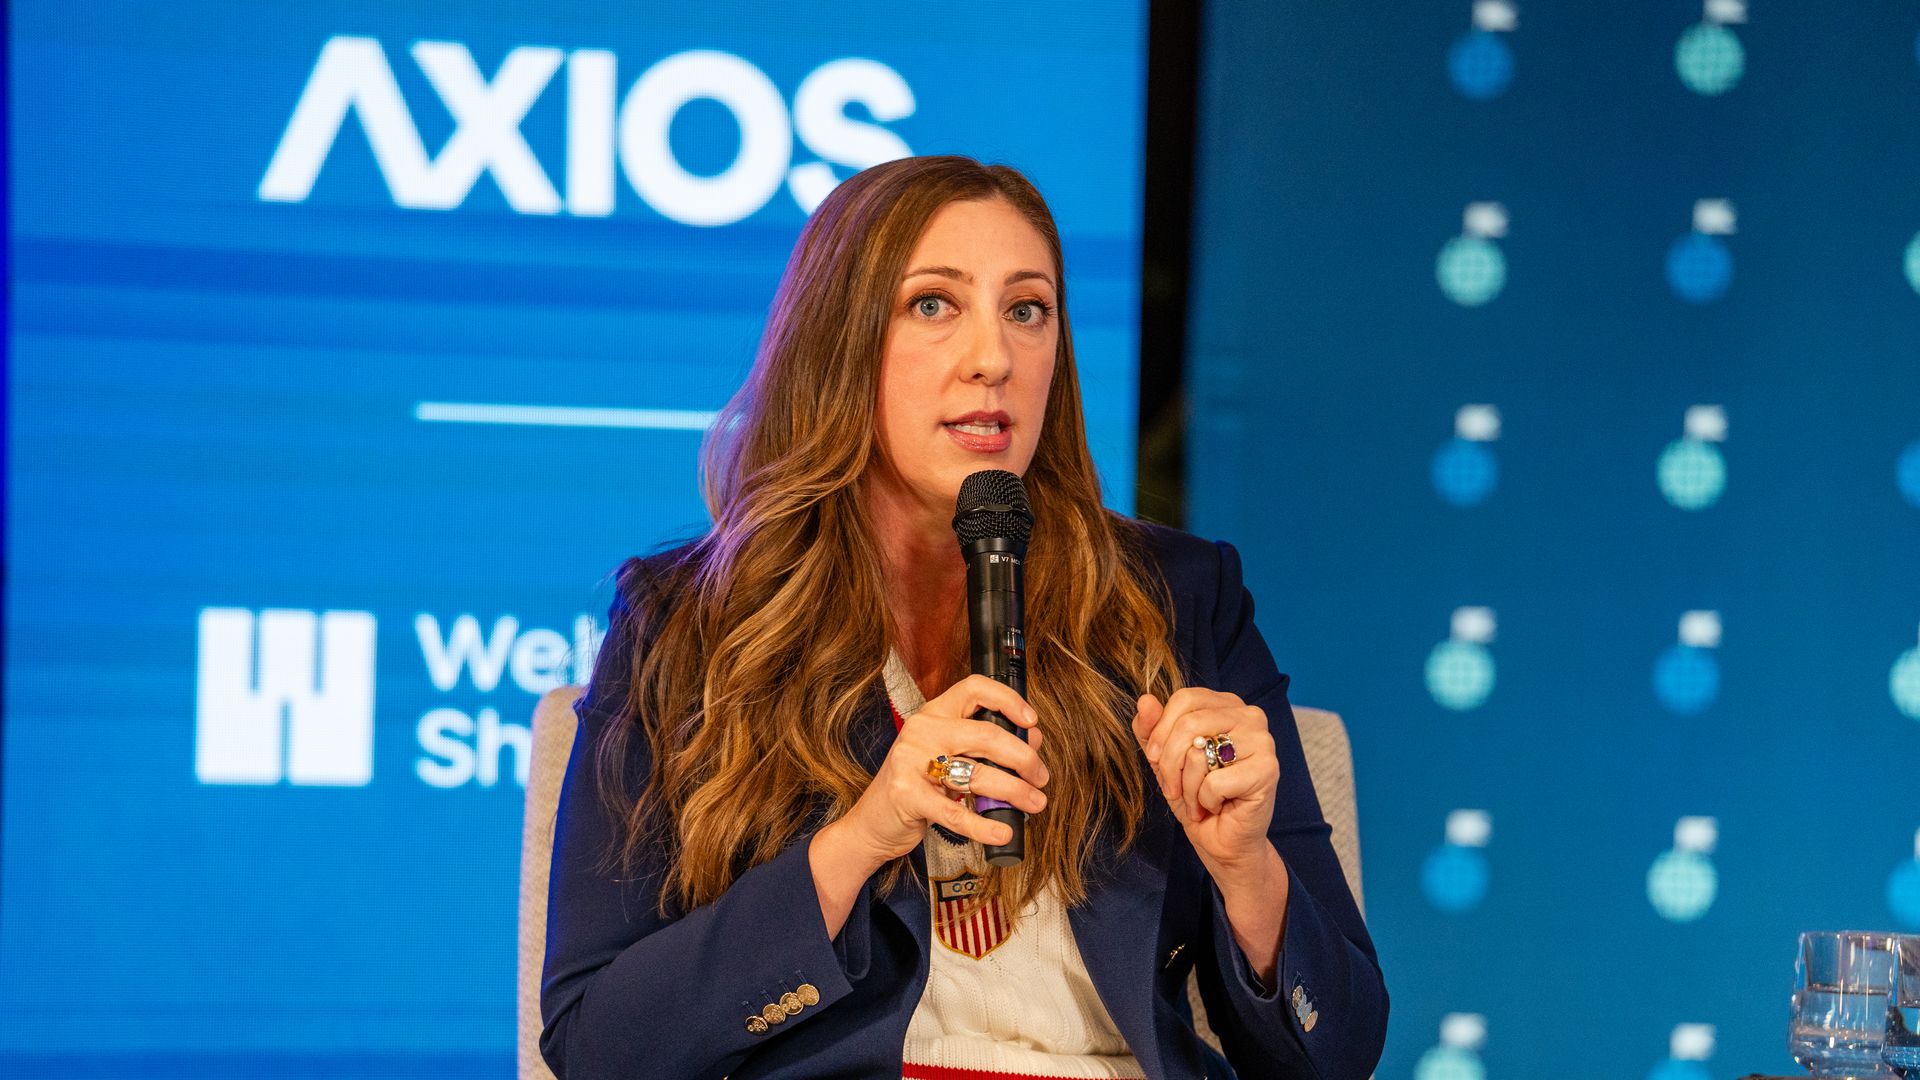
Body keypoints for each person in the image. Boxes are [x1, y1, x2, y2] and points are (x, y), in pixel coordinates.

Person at [539, 155, 1386, 1080]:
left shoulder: (1177, 599)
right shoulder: (690, 624)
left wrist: (1245, 870)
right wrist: (862, 839)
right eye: (934, 305)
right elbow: (597, 1048)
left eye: (1028, 310)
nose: (994, 358)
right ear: (840, 341)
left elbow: (1340, 1050)